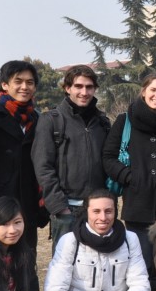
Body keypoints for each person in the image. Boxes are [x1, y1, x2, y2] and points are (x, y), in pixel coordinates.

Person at [103, 72, 156, 274]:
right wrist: (130, 178)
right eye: (153, 90)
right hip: (137, 205)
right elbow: (108, 157)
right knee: (140, 265)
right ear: (143, 91)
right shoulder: (125, 121)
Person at [32, 64, 111, 253]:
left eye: (89, 87)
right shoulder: (51, 120)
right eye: (78, 86)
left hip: (97, 210)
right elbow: (43, 167)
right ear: (68, 88)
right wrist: (59, 207)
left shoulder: (102, 122)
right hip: (66, 210)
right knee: (65, 269)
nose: (84, 92)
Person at [0, 60, 44, 253]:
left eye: (30, 82)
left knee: (26, 264)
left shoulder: (37, 119)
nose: (24, 87)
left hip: (26, 206)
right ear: (5, 84)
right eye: (18, 81)